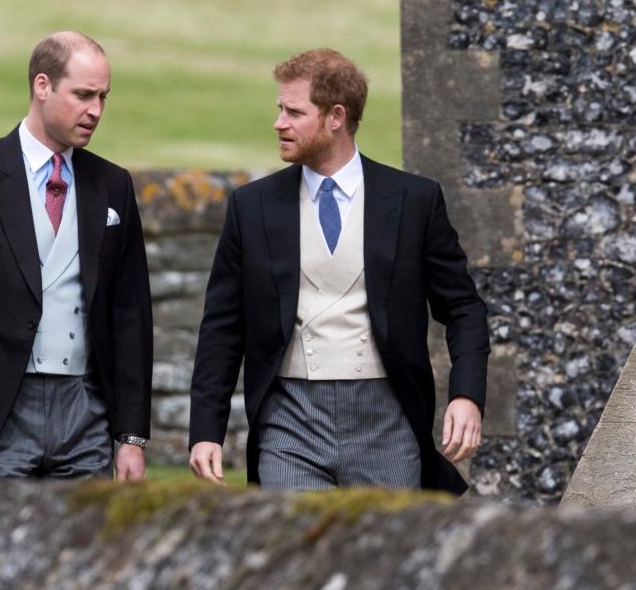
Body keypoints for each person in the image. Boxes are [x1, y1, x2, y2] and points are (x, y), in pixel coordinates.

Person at [188, 48, 489, 493]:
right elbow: (222, 326)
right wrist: (206, 430)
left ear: (336, 117)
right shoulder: (252, 207)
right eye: (279, 109)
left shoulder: (414, 201)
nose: (279, 123)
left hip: (387, 421)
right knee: (295, 554)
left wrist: (466, 395)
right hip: (289, 422)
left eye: (294, 112)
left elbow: (464, 307)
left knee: (388, 557)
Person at [0, 31, 152, 481]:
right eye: (83, 95)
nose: (95, 110)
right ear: (43, 86)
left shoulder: (112, 184)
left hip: (87, 414)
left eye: (103, 97)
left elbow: (130, 317)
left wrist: (132, 437)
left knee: (87, 550)